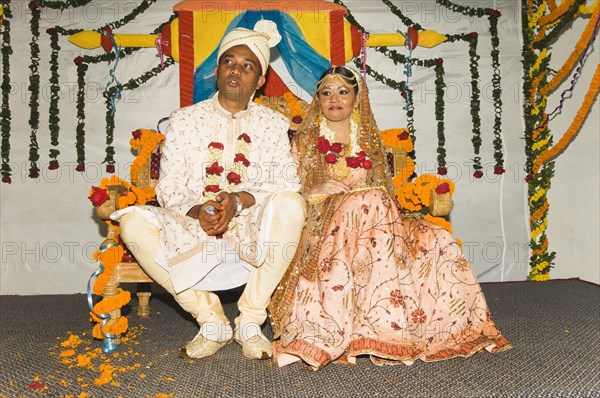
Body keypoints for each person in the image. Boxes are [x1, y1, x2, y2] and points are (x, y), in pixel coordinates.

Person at [268, 66, 511, 370]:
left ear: (356, 98)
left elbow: (385, 192)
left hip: (376, 222)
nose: (334, 99)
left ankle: (392, 327)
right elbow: (284, 193)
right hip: (324, 218)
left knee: (434, 237)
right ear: (318, 98)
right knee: (369, 199)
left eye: (343, 92)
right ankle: (330, 330)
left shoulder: (368, 140)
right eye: (326, 92)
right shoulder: (304, 143)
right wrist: (316, 189)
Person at [113, 20, 306, 360]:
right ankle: (212, 321)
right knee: (131, 224)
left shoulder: (274, 125)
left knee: (291, 204)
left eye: (248, 67)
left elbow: (285, 182)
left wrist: (238, 200)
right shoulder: (184, 120)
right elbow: (170, 189)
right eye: (230, 61)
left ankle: (249, 321)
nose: (237, 71)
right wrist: (198, 210)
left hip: (251, 222)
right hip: (191, 221)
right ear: (217, 70)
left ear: (260, 81)